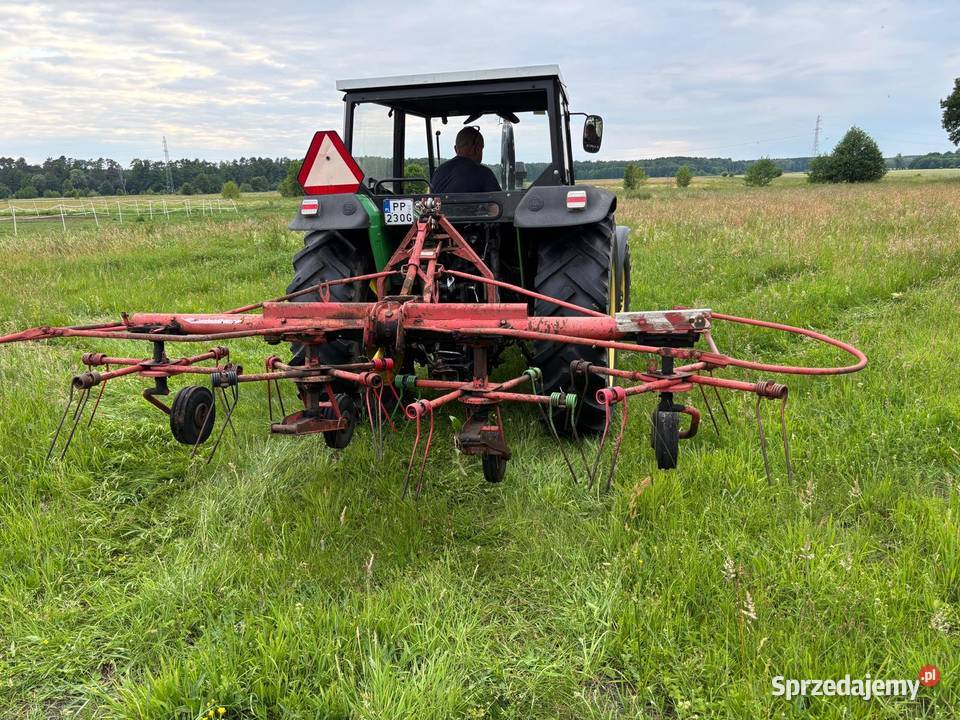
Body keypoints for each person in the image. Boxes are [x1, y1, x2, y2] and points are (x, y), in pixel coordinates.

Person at [431, 126, 501, 193]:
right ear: (476, 149)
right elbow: (502, 203)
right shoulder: (484, 173)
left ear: (455, 149)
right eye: (481, 148)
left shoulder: (438, 172)